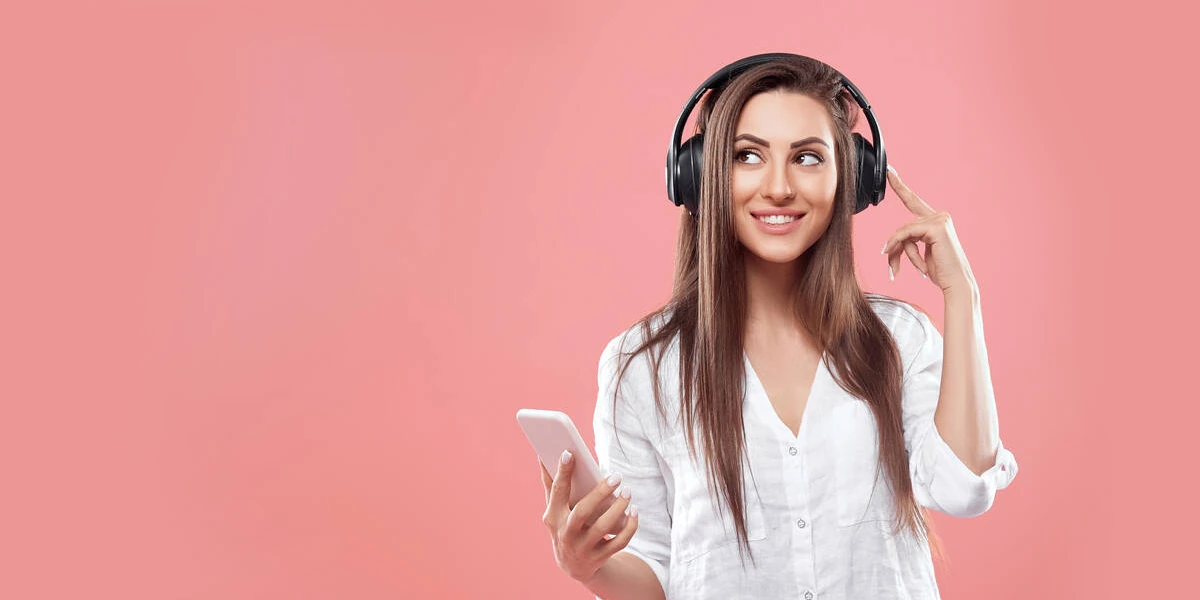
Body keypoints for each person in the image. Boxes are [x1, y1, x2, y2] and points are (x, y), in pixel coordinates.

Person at [537, 54, 1018, 600]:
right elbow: (657, 572)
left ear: (852, 178)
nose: (779, 188)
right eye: (747, 156)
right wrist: (589, 567)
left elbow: (963, 489)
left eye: (808, 158)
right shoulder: (642, 367)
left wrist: (964, 297)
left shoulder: (900, 340)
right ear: (699, 175)